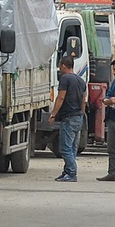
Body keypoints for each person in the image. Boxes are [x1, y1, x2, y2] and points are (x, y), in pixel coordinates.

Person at [49, 53, 86, 182]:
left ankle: (71, 173)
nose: (59, 69)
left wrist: (53, 114)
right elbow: (83, 100)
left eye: (60, 66)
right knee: (72, 148)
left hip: (69, 117)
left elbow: (61, 97)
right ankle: (66, 171)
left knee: (65, 148)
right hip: (78, 117)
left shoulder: (65, 79)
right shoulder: (81, 80)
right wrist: (81, 113)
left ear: (63, 66)